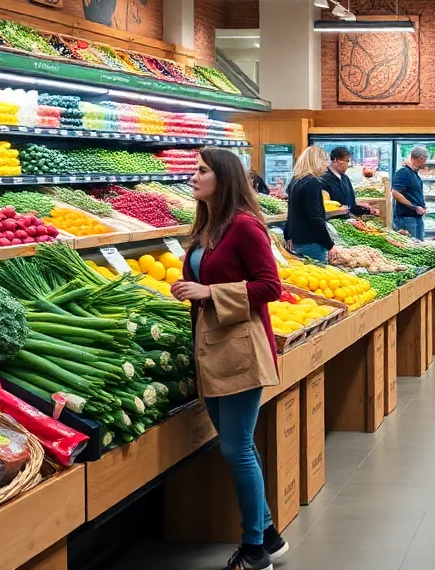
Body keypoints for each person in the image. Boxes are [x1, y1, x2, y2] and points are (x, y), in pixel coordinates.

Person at [171, 147, 286, 570]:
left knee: (236, 450)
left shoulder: (244, 227)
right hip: (213, 347)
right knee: (238, 447)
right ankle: (269, 535)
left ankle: (254, 550)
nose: (194, 177)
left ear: (223, 176)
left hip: (239, 350)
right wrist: (188, 287)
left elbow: (270, 287)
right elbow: (206, 277)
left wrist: (210, 293)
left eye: (201, 170)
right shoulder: (208, 226)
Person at [284, 146, 335, 262]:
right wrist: (330, 244)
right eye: (324, 161)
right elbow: (314, 217)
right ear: (316, 161)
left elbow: (291, 211)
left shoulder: (295, 180)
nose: (326, 166)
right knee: (319, 277)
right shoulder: (312, 182)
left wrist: (288, 235)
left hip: (298, 241)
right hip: (312, 242)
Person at [321, 146, 371, 216]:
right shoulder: (323, 180)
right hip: (332, 223)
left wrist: (366, 210)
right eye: (347, 161)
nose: (349, 164)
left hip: (345, 222)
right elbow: (323, 209)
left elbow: (351, 206)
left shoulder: (345, 179)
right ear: (336, 161)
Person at [392, 146, 428, 240]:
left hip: (416, 218)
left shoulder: (414, 174)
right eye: (423, 159)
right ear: (416, 158)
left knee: (419, 248)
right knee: (411, 247)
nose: (424, 162)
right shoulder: (404, 172)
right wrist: (415, 207)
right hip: (406, 219)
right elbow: (395, 192)